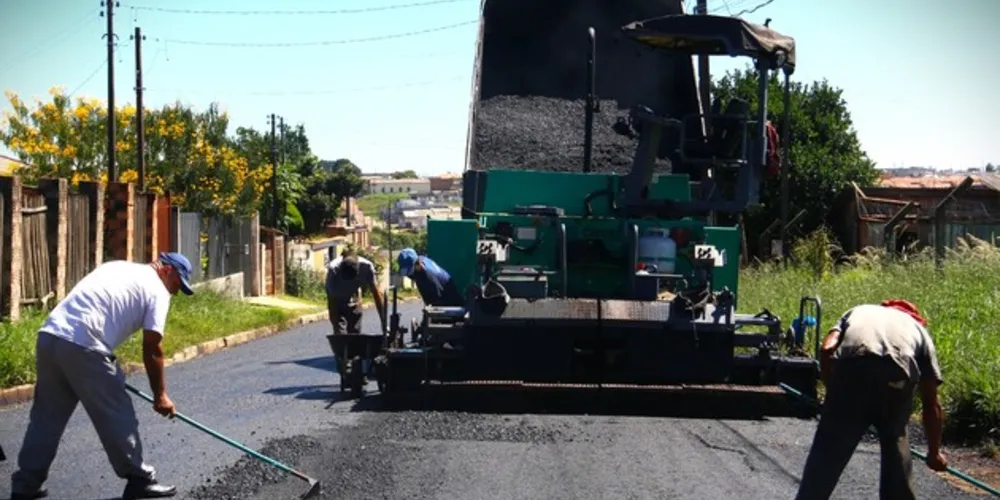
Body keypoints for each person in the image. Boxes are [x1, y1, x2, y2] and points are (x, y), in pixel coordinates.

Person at [10, 252, 195, 500]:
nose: (175, 292)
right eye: (177, 285)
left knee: (46, 418)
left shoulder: (117, 266)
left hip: (50, 336)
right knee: (116, 412)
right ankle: (139, 479)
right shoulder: (157, 290)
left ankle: (26, 485)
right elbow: (153, 348)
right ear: (167, 270)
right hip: (84, 344)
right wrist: (160, 395)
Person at [795, 299, 948, 500]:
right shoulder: (917, 329)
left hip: (852, 369)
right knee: (896, 446)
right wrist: (934, 453)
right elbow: (931, 402)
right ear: (915, 317)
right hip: (895, 375)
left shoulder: (857, 311)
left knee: (827, 454)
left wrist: (833, 393)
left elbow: (826, 349)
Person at [325, 249, 387, 336]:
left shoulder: (367, 267)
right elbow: (331, 299)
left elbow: (377, 295)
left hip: (354, 298)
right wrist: (335, 323)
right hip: (337, 300)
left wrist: (384, 323)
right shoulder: (333, 269)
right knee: (340, 335)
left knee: (355, 336)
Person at [396, 248, 465, 307]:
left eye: (410, 270)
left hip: (448, 298)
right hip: (441, 290)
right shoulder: (421, 259)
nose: (409, 275)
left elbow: (437, 299)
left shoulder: (428, 276)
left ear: (417, 264)